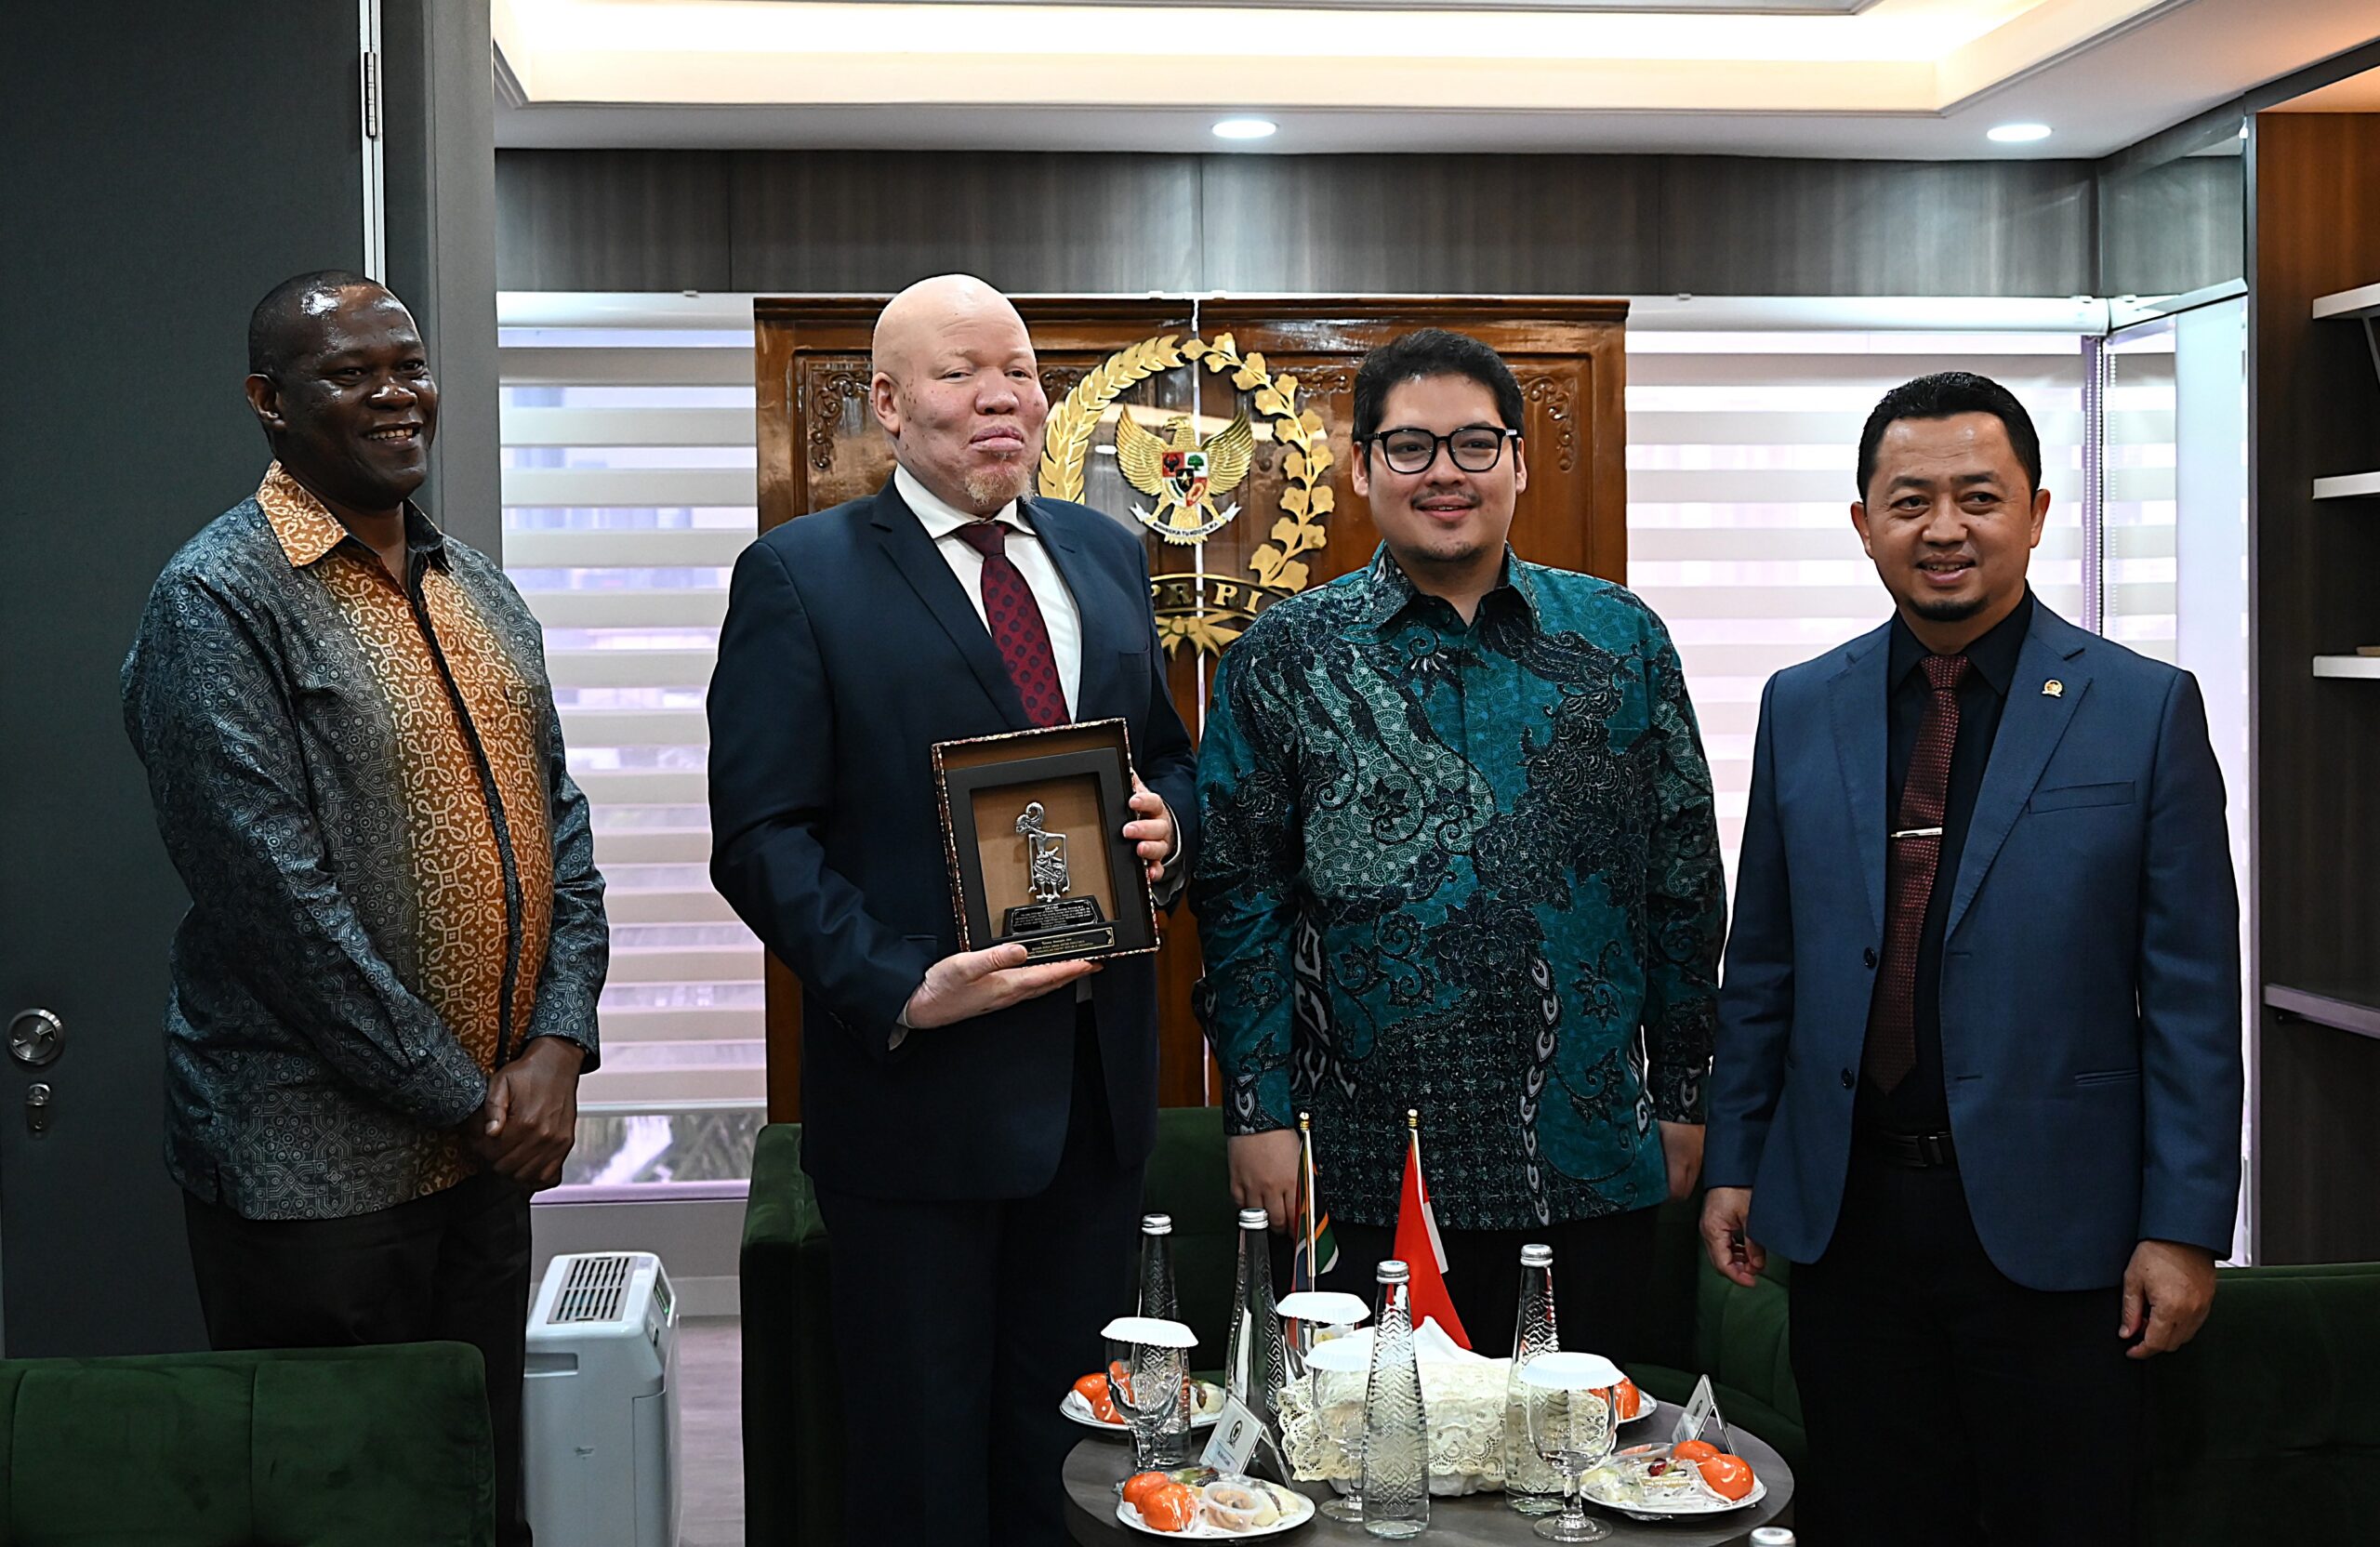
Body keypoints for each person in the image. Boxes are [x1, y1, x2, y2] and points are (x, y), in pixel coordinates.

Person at [1700, 371, 2241, 1547]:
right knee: (1873, 1513)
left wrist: (2185, 1224)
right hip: (1851, 1219)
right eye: (1909, 501)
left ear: (2036, 512)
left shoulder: (2140, 709)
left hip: (2065, 1225)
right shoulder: (1805, 703)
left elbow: (2195, 995)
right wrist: (1735, 1154)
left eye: (1978, 496)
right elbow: (1768, 960)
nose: (1943, 528)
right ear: (1863, 523)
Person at [707, 274, 1196, 1547]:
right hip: (918, 1113)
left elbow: (1166, 756)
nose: (999, 397)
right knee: (922, 1475)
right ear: (885, 404)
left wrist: (1168, 825)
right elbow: (761, 840)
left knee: (1080, 1467)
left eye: (1020, 371)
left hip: (1095, 1107)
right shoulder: (800, 577)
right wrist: (904, 983)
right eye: (958, 372)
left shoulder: (1104, 552)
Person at [123, 271, 608, 1546]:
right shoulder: (216, 600)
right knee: (339, 1509)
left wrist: (557, 1049)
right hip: (312, 1178)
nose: (396, 394)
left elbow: (564, 832)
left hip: (486, 1160)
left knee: (474, 1491)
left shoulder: (479, 590)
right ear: (267, 403)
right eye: (349, 373)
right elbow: (272, 905)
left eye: (409, 364)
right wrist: (474, 1098)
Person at [1192, 327, 1725, 1359]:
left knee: (1575, 1468)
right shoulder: (1285, 655)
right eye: (1409, 446)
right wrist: (1255, 1110)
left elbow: (1683, 884)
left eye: (1475, 444)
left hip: (1585, 1153)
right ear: (1360, 468)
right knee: (1371, 1471)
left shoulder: (1622, 639)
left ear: (1519, 462)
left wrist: (1686, 1096)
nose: (1444, 472)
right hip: (1359, 1162)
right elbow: (1238, 893)